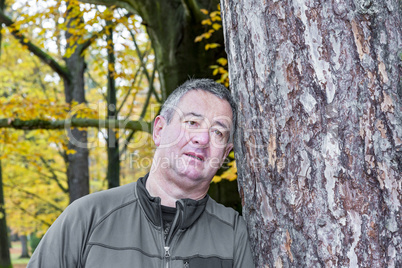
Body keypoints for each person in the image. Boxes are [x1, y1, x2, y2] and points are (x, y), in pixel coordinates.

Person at [27, 78, 254, 268]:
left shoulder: (233, 234)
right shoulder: (88, 217)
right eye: (192, 122)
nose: (202, 139)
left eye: (218, 133)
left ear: (225, 154)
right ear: (159, 130)